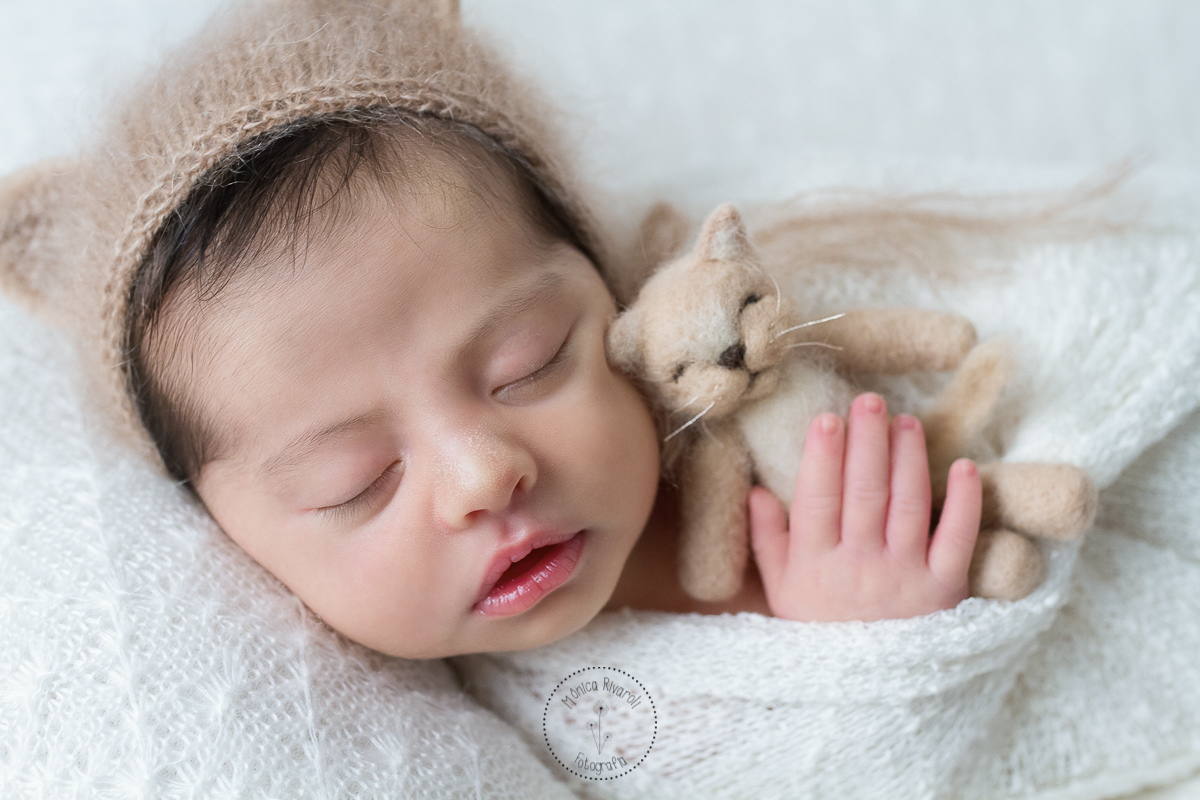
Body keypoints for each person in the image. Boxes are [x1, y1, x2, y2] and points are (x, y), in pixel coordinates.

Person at [0, 0, 980, 660]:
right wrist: (868, 658)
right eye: (357, 481)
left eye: (529, 364)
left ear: (613, 288)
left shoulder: (768, 401)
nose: (482, 476)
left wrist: (889, 621)